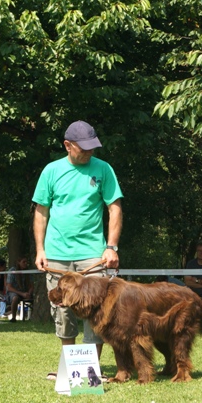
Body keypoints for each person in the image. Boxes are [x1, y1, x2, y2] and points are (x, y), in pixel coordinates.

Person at [33, 120, 123, 378]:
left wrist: (111, 247)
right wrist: (40, 249)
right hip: (56, 256)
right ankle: (69, 370)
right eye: (83, 148)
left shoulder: (104, 170)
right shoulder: (51, 171)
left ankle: (89, 371)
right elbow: (41, 212)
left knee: (96, 312)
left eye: (92, 148)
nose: (89, 153)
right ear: (67, 146)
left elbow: (114, 208)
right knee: (63, 313)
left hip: (92, 257)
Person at [5, 257, 33, 322]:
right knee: (15, 298)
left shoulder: (28, 271)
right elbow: (9, 287)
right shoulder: (12, 271)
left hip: (25, 292)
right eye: (24, 262)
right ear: (18, 262)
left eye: (26, 262)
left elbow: (31, 286)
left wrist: (29, 293)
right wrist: (22, 294)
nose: (26, 264)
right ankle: (13, 318)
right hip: (13, 292)